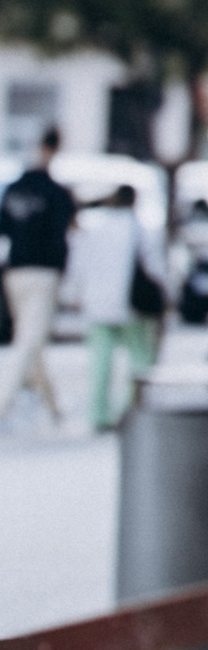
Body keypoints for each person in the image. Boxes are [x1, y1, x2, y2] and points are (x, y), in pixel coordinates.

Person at [69, 180, 166, 431]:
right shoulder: (140, 229)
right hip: (131, 305)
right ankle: (131, 409)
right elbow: (155, 267)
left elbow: (79, 263)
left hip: (97, 303)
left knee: (100, 361)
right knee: (139, 358)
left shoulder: (96, 228)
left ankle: (98, 413)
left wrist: (77, 293)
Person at [0, 126, 74, 427]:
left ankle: (53, 406)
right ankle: (3, 403)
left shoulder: (15, 189)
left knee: (31, 340)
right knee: (28, 342)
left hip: (15, 270)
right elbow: (65, 235)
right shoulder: (57, 193)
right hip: (42, 273)